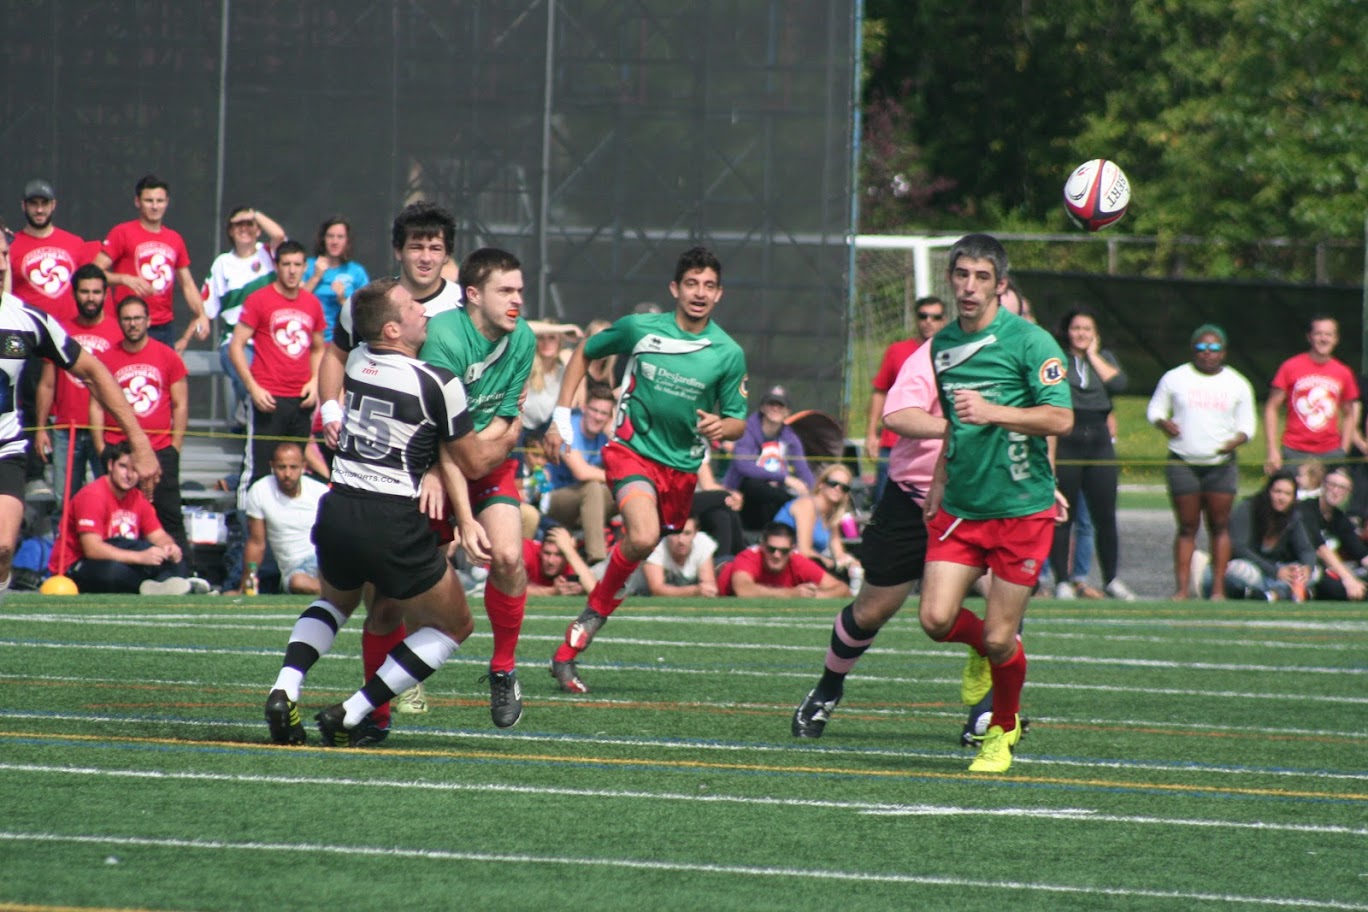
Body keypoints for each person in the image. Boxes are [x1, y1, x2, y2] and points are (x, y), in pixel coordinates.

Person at [263, 277, 518, 747]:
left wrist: (332, 409)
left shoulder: (357, 360)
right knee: (455, 626)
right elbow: (474, 461)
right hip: (393, 519)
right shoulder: (438, 382)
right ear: (393, 330)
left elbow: (339, 346)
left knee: (334, 604)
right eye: (411, 308)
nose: (423, 311)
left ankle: (285, 687)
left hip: (338, 507)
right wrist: (511, 425)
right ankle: (352, 710)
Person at [543, 246, 748, 694]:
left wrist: (721, 425)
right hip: (630, 452)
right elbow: (582, 353)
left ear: (719, 295)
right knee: (640, 535)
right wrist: (561, 419)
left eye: (709, 285)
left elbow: (737, 420)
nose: (699, 292)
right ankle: (594, 614)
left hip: (681, 469)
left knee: (646, 539)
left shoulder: (728, 353)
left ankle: (573, 642)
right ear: (675, 288)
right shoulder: (640, 329)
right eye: (691, 283)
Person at [919, 233, 1072, 773]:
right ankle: (980, 651)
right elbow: (956, 424)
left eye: (982, 277)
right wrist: (938, 479)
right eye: (961, 274)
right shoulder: (940, 346)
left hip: (1021, 509)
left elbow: (1060, 418)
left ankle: (1001, 732)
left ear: (1000, 285)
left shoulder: (1032, 343)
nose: (969, 286)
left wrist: (994, 411)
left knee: (1002, 634)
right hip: (961, 505)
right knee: (935, 619)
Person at [312, 203, 466, 729]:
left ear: (448, 255)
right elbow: (336, 354)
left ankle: (496, 672)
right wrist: (328, 403)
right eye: (416, 245)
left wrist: (438, 468)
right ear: (398, 250)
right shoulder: (374, 302)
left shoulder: (461, 308)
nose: (426, 255)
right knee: (383, 604)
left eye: (436, 246)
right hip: (387, 479)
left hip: (446, 471)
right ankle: (374, 711)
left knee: (441, 595)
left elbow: (470, 396)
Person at [0, 229, 161, 594]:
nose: (0, 264)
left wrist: (140, 443)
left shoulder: (27, 319)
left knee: (3, 548)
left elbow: (94, 371)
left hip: (4, 448)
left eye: (5, 255)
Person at [414, 247, 536, 728]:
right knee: (402, 582)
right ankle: (396, 684)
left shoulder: (521, 337)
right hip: (432, 463)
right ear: (472, 295)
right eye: (505, 291)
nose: (516, 301)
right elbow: (444, 437)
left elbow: (505, 422)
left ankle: (504, 669)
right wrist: (464, 518)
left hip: (482, 461)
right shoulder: (443, 336)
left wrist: (480, 452)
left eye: (520, 290)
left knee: (508, 556)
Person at [1147, 324, 1257, 599]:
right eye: (1202, 348)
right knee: (1187, 526)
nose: (1208, 353)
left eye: (1214, 348)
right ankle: (1182, 589)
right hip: (1184, 461)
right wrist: (1164, 423)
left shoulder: (1237, 382)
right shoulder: (1176, 378)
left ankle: (1217, 590)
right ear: (1193, 350)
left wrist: (1236, 440)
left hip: (1221, 463)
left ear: (1224, 352)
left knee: (1219, 525)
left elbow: (1248, 425)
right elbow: (1155, 409)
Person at [91, 296, 190, 564]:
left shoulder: (167, 355)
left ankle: (184, 571)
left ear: (148, 321)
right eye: (127, 319)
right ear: (119, 322)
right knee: (119, 513)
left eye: (137, 318)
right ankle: (120, 567)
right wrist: (102, 447)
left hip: (160, 449)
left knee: (169, 514)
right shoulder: (106, 358)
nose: (132, 324)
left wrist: (174, 448)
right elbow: (97, 406)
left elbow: (180, 405)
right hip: (118, 449)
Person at [1048, 307, 1136, 601]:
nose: (1081, 334)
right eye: (1076, 329)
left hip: (1098, 439)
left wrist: (1094, 355)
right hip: (1068, 436)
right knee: (1064, 514)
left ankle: (1111, 579)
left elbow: (1119, 384)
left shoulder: (1105, 358)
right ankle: (1063, 580)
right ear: (1067, 331)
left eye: (1087, 329)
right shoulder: (1058, 357)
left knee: (1105, 514)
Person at [227, 239, 326, 493]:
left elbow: (318, 348)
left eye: (297, 264)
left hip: (301, 400)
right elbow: (236, 345)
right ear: (277, 266)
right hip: (267, 397)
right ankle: (245, 527)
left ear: (305, 267)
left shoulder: (312, 303)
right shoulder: (259, 299)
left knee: (295, 469)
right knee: (258, 471)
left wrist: (315, 382)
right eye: (286, 264)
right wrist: (253, 387)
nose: (292, 270)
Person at [48, 441, 191, 595]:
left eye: (135, 469)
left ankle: (163, 583)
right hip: (78, 565)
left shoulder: (137, 497)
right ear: (110, 465)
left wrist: (169, 547)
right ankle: (163, 582)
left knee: (174, 560)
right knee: (114, 570)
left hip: (123, 559)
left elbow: (158, 535)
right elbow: (92, 549)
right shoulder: (93, 495)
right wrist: (141, 557)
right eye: (123, 467)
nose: (129, 475)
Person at [34, 265, 124, 504]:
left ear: (105, 294)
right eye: (84, 291)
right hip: (66, 430)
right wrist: (42, 428)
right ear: (74, 294)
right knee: (64, 505)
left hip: (108, 432)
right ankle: (63, 543)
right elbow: (47, 384)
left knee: (111, 502)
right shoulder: (59, 330)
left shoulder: (118, 331)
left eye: (96, 292)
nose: (91, 298)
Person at [94, 174, 209, 352]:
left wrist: (201, 314)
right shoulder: (122, 232)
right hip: (129, 323)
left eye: (159, 201)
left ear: (167, 202)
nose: (155, 206)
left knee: (165, 378)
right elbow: (92, 272)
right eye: (149, 200)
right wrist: (124, 279)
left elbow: (187, 284)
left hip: (164, 326)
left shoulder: (175, 239)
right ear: (137, 202)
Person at [203, 206, 287, 421]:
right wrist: (199, 324)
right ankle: (249, 409)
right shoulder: (222, 263)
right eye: (238, 225)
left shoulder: (268, 252)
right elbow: (207, 307)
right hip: (235, 338)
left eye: (249, 224)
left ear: (258, 229)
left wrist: (255, 214)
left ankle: (249, 414)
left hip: (270, 337)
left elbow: (279, 235)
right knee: (248, 376)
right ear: (230, 231)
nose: (244, 229)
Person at [864, 295, 945, 502]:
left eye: (936, 317)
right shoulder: (897, 350)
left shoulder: (953, 353)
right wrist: (871, 433)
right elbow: (880, 391)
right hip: (893, 443)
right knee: (883, 503)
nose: (929, 321)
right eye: (923, 316)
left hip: (932, 452)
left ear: (944, 320)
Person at [1264, 315, 1359, 475]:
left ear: (1336, 339)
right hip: (1294, 449)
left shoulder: (1344, 372)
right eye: (1318, 334)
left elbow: (1349, 413)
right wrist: (1272, 450)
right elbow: (1271, 408)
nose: (1323, 339)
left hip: (1330, 451)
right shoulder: (1290, 366)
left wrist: (1344, 448)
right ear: (1309, 337)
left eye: (1329, 334)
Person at [722, 384, 816, 530]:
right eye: (771, 404)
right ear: (763, 408)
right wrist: (785, 478)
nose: (775, 408)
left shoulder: (790, 438)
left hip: (774, 499)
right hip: (741, 496)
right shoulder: (747, 430)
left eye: (781, 405)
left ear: (787, 412)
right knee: (756, 485)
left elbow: (802, 470)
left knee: (782, 500)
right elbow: (743, 466)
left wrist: (814, 496)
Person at [543, 381, 616, 563]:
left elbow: (623, 468)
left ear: (610, 417)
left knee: (626, 491)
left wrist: (613, 437)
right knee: (592, 486)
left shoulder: (605, 435)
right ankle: (597, 560)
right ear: (584, 408)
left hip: (589, 502)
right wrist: (618, 477)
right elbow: (581, 472)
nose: (598, 417)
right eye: (594, 410)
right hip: (555, 498)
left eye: (604, 413)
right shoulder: (569, 428)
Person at [241, 441, 328, 595]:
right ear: (272, 466)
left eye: (293, 467)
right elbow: (256, 543)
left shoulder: (320, 492)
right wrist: (246, 584)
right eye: (282, 467)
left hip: (325, 559)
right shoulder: (260, 491)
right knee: (298, 582)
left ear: (303, 466)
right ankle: (343, 593)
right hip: (295, 568)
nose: (287, 474)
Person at [1221, 471, 1314, 601]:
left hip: (1277, 571)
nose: (1281, 498)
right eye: (1277, 492)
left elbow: (1306, 549)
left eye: (1287, 494)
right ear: (1268, 491)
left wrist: (1306, 569)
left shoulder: (1293, 516)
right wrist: (1275, 572)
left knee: (1314, 573)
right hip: (1254, 568)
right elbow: (1239, 548)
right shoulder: (1247, 507)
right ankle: (1286, 593)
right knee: (1236, 569)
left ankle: (1272, 595)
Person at [10, 179, 86, 316]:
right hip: (29, 331)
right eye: (33, 204)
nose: (39, 210)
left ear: (53, 205)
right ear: (23, 206)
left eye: (44, 203)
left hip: (67, 331)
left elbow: (89, 287)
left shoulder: (75, 243)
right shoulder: (10, 245)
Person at [717, 521, 849, 598]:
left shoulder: (797, 561)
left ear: (792, 549)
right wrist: (792, 593)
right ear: (762, 546)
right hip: (715, 579)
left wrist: (814, 596)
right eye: (771, 549)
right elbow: (743, 590)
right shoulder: (749, 557)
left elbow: (842, 589)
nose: (777, 555)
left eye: (784, 551)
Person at [772, 462, 861, 577]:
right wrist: (830, 563)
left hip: (803, 566)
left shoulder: (831, 515)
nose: (838, 489)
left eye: (844, 487)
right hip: (779, 562)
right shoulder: (807, 505)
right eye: (833, 483)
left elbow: (838, 552)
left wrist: (851, 562)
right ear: (821, 484)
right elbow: (804, 551)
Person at [1296, 466, 1368, 600]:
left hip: (1331, 569)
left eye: (1342, 488)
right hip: (1308, 566)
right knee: (1340, 590)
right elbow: (1320, 548)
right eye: (1332, 485)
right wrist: (1349, 579)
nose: (1336, 491)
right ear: (1323, 485)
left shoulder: (1340, 518)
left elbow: (1360, 552)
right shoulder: (1305, 510)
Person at [303, 216, 368, 342]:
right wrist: (316, 277)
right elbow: (293, 302)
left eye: (340, 237)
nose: (334, 242)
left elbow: (365, 313)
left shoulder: (356, 271)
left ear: (347, 241)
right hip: (309, 340)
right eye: (330, 236)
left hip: (342, 342)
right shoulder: (308, 266)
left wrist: (343, 300)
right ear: (323, 239)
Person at [635, 515, 719, 597]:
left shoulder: (703, 542)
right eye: (675, 533)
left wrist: (704, 590)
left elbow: (709, 587)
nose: (681, 541)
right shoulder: (655, 545)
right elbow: (657, 589)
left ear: (695, 534)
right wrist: (695, 591)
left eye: (687, 533)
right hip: (636, 590)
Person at [524, 525, 598, 597]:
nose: (551, 561)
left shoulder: (573, 564)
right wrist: (551, 591)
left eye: (558, 555)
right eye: (547, 553)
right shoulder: (527, 550)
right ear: (540, 550)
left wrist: (582, 590)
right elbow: (512, 590)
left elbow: (596, 593)